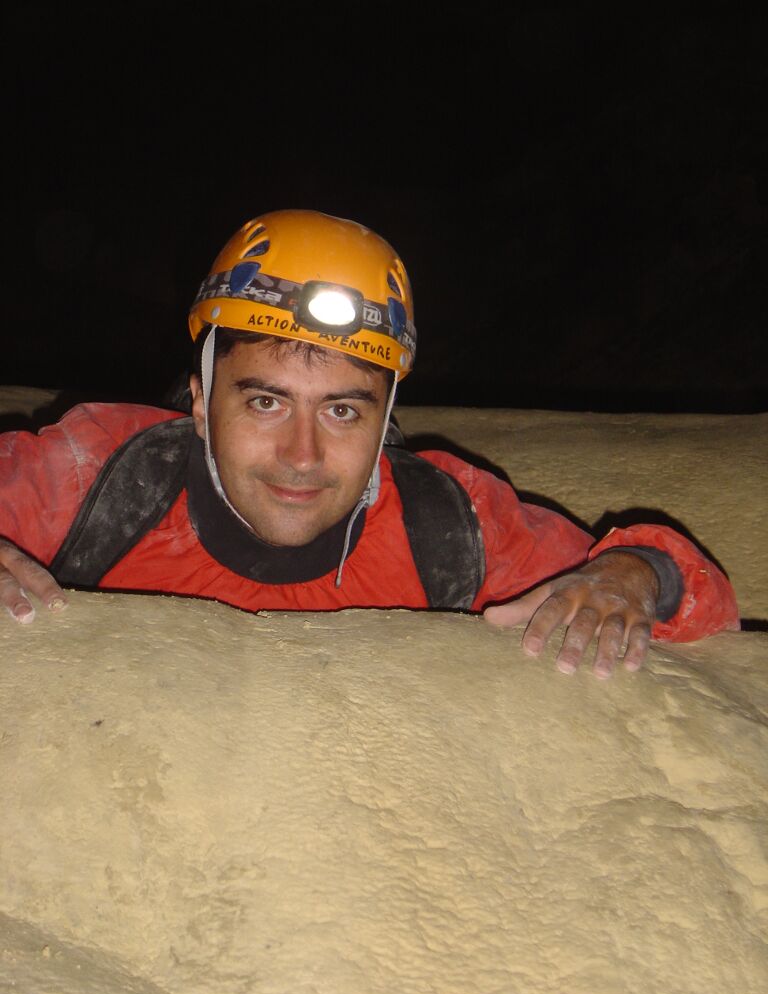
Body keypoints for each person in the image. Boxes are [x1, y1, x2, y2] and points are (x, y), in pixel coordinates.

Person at [0, 209, 738, 677]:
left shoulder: (446, 524)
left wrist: (630, 581)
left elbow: (689, 597)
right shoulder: (99, 477)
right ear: (199, 401)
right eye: (264, 400)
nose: (302, 455)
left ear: (386, 421)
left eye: (344, 413)